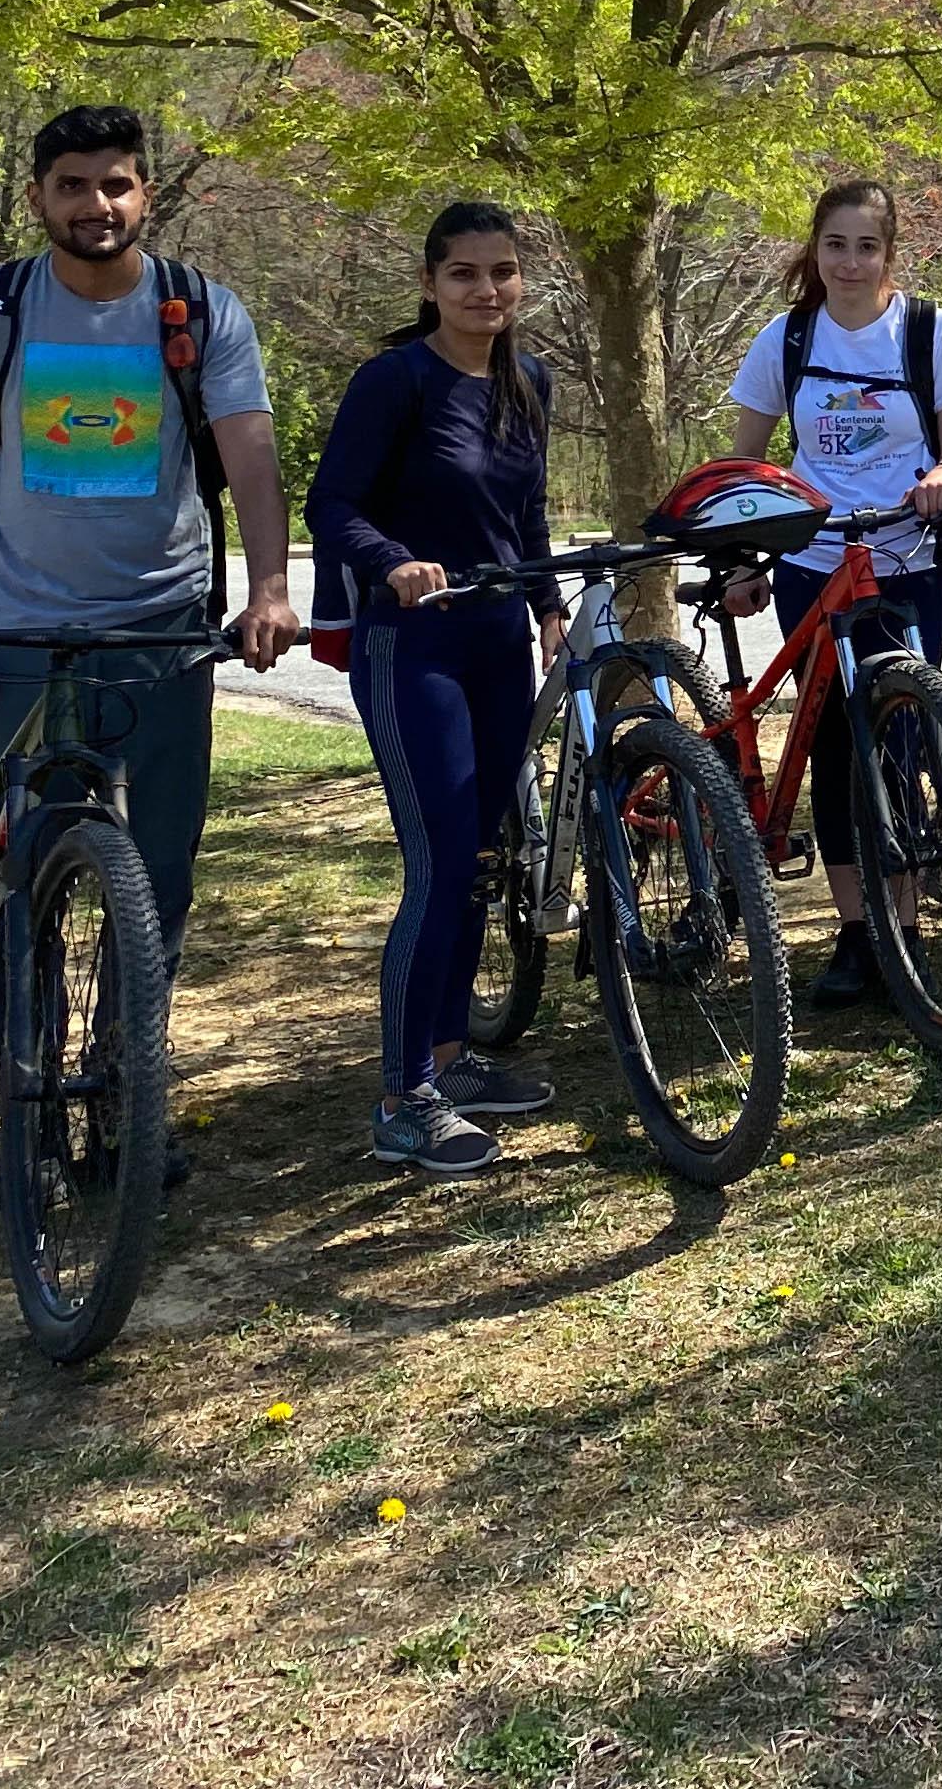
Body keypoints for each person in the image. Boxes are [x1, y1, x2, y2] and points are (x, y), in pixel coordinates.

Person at [0, 105, 301, 1184]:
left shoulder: (200, 310)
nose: (98, 206)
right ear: (38, 197)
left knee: (155, 875)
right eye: (74, 186)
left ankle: (131, 1093)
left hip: (160, 629)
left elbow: (253, 464)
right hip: (15, 635)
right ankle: (29, 1095)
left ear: (148, 193)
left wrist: (268, 587)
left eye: (117, 184)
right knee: (23, 871)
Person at [306, 203, 562, 1177]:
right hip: (412, 649)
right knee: (441, 861)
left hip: (502, 644)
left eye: (502, 273)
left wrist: (545, 606)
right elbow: (331, 502)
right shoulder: (396, 381)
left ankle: (452, 1061)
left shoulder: (527, 381)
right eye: (463, 274)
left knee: (484, 857)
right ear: (429, 284)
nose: (485, 290)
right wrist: (394, 561)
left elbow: (527, 511)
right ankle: (402, 1097)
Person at [719, 180, 942, 1009]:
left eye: (867, 247)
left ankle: (904, 934)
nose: (851, 263)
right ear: (815, 251)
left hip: (905, 561)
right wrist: (744, 558)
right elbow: (747, 469)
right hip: (813, 566)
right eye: (836, 245)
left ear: (890, 255)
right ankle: (857, 932)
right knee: (836, 741)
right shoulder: (788, 338)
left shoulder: (930, 331)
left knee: (900, 738)